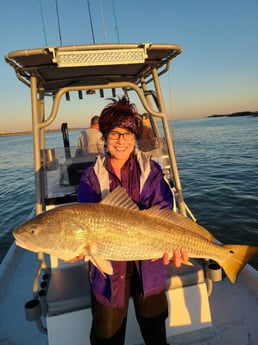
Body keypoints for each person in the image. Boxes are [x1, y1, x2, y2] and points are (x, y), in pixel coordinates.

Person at [76, 96, 188, 345]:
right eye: (115, 133)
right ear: (104, 136)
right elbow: (85, 220)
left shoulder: (151, 170)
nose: (121, 141)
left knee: (156, 335)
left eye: (127, 134)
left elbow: (163, 210)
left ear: (135, 137)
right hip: (107, 275)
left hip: (150, 265)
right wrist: (73, 246)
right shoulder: (90, 177)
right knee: (106, 338)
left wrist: (173, 246)